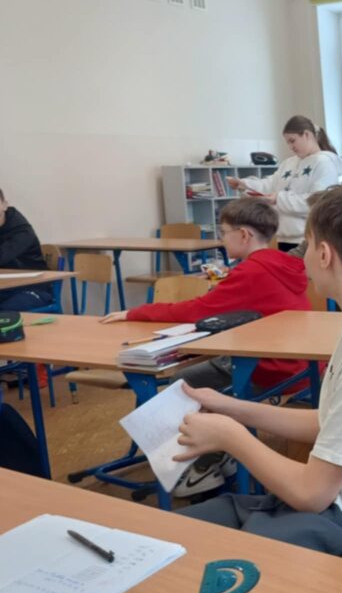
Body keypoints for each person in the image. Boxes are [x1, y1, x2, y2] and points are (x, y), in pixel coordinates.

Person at [174, 181, 342, 568]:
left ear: (324, 254)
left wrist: (231, 437)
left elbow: (312, 494)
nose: (303, 257)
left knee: (196, 562)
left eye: (307, 244)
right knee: (177, 535)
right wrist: (232, 408)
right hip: (336, 506)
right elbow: (330, 422)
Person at [102, 198, 311, 495]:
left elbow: (196, 310)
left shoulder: (252, 272)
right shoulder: (280, 263)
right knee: (193, 378)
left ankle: (201, 467)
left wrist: (134, 312)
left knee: (183, 386)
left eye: (224, 232)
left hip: (270, 369)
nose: (221, 239)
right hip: (296, 366)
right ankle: (219, 454)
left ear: (244, 235)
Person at [227, 115, 342, 251]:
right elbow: (270, 184)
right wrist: (244, 184)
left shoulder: (324, 163)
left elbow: (318, 202)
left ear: (307, 135)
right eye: (288, 142)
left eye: (293, 141)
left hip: (309, 239)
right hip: (284, 237)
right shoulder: (289, 162)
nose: (290, 147)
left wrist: (278, 199)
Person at [0, 188, 50, 311]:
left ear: (5, 205)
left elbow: (2, 256)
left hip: (32, 287)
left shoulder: (22, 231)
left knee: (5, 312)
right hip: (5, 288)